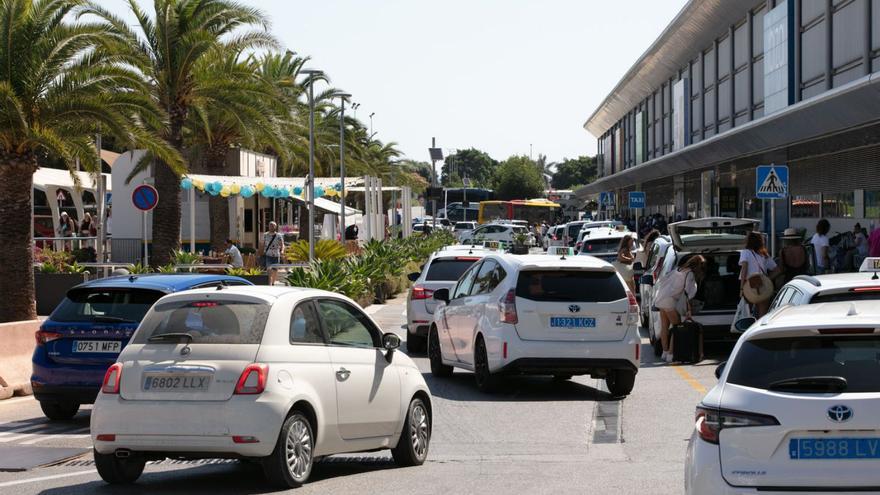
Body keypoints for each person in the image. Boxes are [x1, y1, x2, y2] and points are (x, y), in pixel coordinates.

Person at [654, 255, 706, 363]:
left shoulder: (678, 269)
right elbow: (687, 292)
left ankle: (664, 352)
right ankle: (671, 354)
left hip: (661, 298)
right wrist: (688, 310)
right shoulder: (690, 274)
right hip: (669, 301)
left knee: (665, 327)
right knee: (677, 327)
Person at [739, 232, 779, 318]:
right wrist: (767, 279)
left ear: (748, 241)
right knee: (762, 314)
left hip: (748, 285)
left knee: (747, 313)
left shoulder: (745, 252)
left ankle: (748, 330)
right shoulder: (764, 254)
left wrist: (742, 288)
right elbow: (777, 270)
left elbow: (744, 269)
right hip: (763, 285)